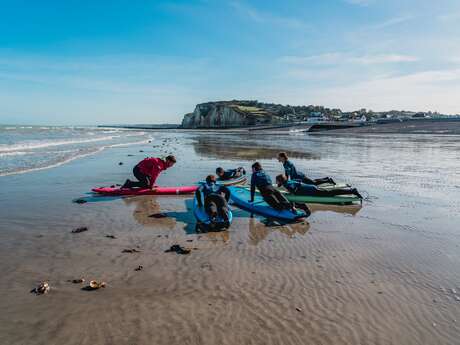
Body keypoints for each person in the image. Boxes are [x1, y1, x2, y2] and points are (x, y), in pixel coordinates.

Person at [276, 174, 363, 199]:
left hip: (312, 191)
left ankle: (352, 191)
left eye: (277, 180)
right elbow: (299, 181)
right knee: (331, 193)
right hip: (311, 187)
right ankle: (351, 191)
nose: (276, 182)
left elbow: (293, 191)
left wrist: (290, 193)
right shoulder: (289, 181)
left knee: (332, 193)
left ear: (281, 181)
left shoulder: (287, 184)